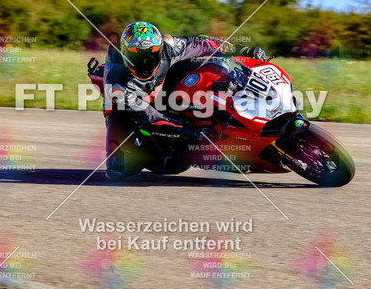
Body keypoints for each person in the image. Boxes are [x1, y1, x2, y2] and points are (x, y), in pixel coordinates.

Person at [103, 21, 267, 181]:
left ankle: (216, 110)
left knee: (213, 63)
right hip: (129, 111)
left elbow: (202, 43)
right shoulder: (117, 83)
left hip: (161, 89)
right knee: (118, 170)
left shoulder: (168, 45)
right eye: (136, 57)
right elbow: (148, 116)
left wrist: (243, 50)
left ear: (159, 50)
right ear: (125, 53)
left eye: (150, 56)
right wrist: (190, 133)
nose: (144, 62)